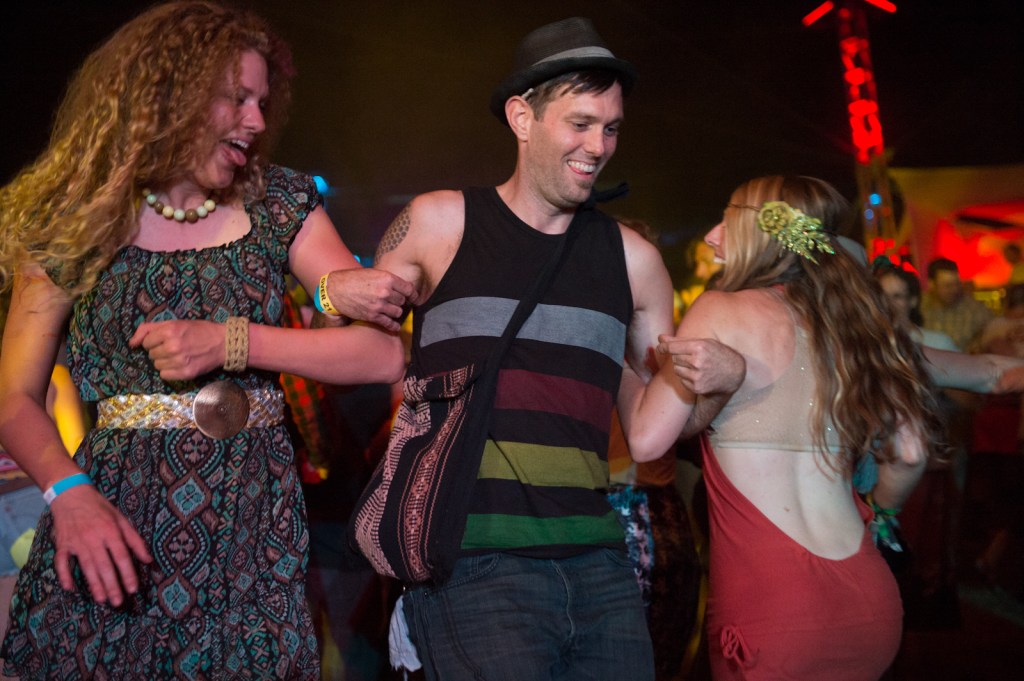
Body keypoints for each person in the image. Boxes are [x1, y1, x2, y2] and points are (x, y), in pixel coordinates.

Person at [0, 2, 414, 678]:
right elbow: (14, 397)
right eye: (237, 99)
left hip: (252, 520)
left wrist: (234, 342)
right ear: (170, 95)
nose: (257, 121)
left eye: (262, 102)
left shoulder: (279, 203)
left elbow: (382, 354)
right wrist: (68, 494)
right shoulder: (72, 219)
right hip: (116, 517)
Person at [361, 17, 744, 681]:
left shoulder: (635, 261)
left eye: (612, 128)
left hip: (601, 565)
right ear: (522, 117)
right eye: (581, 123)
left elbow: (654, 431)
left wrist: (722, 378)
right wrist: (330, 293)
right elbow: (356, 347)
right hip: (474, 562)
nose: (599, 146)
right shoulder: (437, 223)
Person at [621, 176, 943, 680]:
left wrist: (609, 353)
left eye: (727, 218)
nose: (711, 235)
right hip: (871, 600)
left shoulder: (721, 310)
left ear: (763, 232)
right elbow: (910, 451)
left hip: (775, 611)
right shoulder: (852, 329)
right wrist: (880, 513)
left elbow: (645, 438)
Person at [920, 257, 994, 351]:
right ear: (932, 284)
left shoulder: (976, 309)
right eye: (947, 286)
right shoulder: (919, 307)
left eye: (957, 284)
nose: (954, 290)